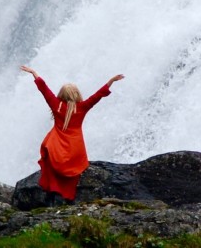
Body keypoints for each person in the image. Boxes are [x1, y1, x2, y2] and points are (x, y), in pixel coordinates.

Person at [20, 65, 124, 203]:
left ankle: (53, 192)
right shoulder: (83, 107)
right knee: (73, 172)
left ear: (61, 94)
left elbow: (44, 90)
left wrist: (34, 73)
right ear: (77, 94)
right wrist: (111, 81)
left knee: (48, 153)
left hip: (56, 145)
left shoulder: (56, 104)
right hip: (75, 148)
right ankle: (69, 197)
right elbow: (97, 96)